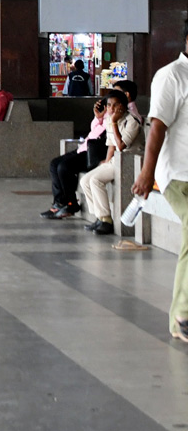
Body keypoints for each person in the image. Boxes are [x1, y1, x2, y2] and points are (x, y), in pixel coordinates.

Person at [132, 20, 188, 344]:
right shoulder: (171, 76)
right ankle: (181, 316)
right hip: (177, 176)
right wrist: (146, 173)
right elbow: (157, 128)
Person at [81, 89, 143, 234]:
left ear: (124, 106)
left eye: (116, 105)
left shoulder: (131, 122)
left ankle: (106, 220)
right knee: (85, 180)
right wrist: (106, 162)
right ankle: (99, 217)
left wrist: (114, 123)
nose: (112, 109)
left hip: (128, 160)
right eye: (109, 105)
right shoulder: (109, 120)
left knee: (95, 180)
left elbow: (121, 146)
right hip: (115, 159)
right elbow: (111, 146)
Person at [42, 93, 109, 220]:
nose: (109, 106)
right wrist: (98, 117)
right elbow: (94, 129)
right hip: (84, 148)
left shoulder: (120, 118)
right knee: (54, 164)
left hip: (93, 153)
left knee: (64, 167)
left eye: (112, 104)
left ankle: (71, 203)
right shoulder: (105, 117)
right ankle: (60, 202)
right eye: (108, 104)